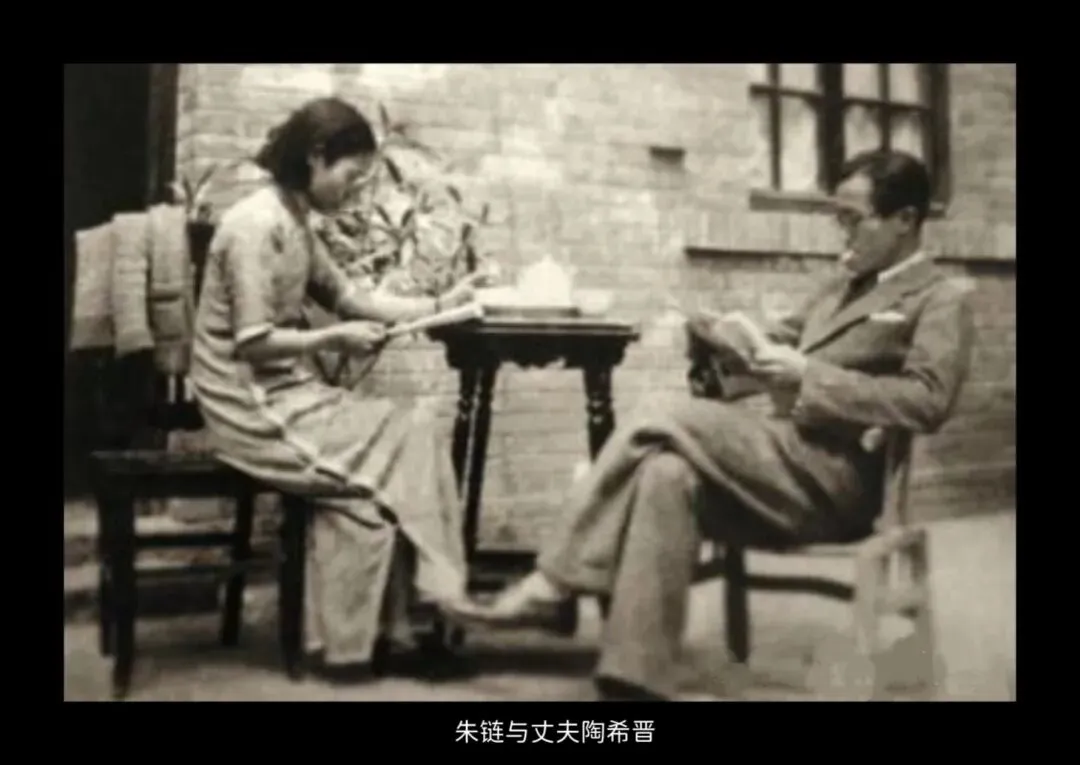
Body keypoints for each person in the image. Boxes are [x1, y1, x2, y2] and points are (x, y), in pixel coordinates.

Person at [446, 149, 976, 700]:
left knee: (659, 413)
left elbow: (928, 401)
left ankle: (553, 581)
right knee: (665, 474)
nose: (842, 233)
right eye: (837, 219)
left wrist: (810, 377)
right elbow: (770, 351)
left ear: (905, 220)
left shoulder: (941, 298)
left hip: (841, 482)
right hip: (782, 467)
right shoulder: (841, 284)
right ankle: (636, 679)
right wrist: (719, 346)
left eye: (853, 219)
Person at [190, 97, 484, 677]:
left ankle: (373, 638)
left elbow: (349, 298)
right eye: (351, 176)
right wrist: (333, 340)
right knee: (404, 444)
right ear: (316, 155)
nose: (354, 191)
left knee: (387, 469)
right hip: (246, 403)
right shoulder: (254, 225)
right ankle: (434, 604)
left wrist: (439, 305)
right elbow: (252, 341)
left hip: (286, 392)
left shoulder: (295, 218)